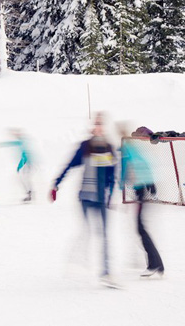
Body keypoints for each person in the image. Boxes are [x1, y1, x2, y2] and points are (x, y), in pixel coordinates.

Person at [50, 113, 117, 287]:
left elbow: (112, 174)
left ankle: (106, 272)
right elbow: (70, 165)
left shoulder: (109, 147)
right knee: (86, 231)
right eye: (96, 124)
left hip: (101, 198)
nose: (98, 127)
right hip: (86, 197)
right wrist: (56, 183)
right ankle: (75, 262)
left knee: (103, 234)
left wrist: (110, 193)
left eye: (101, 124)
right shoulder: (85, 146)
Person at [118, 123, 164, 278]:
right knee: (140, 228)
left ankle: (155, 264)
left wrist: (120, 186)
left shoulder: (127, 148)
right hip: (142, 189)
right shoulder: (132, 148)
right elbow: (144, 165)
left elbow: (125, 168)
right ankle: (156, 264)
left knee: (140, 228)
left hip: (140, 191)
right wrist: (151, 186)